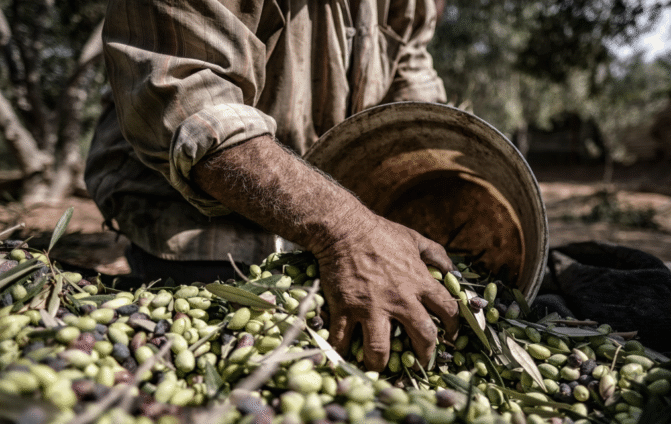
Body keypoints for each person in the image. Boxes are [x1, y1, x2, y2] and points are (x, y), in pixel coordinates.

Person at [84, 0, 459, 372]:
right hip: (194, 224)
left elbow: (414, 89)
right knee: (206, 357)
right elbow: (188, 104)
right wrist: (347, 231)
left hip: (329, 233)